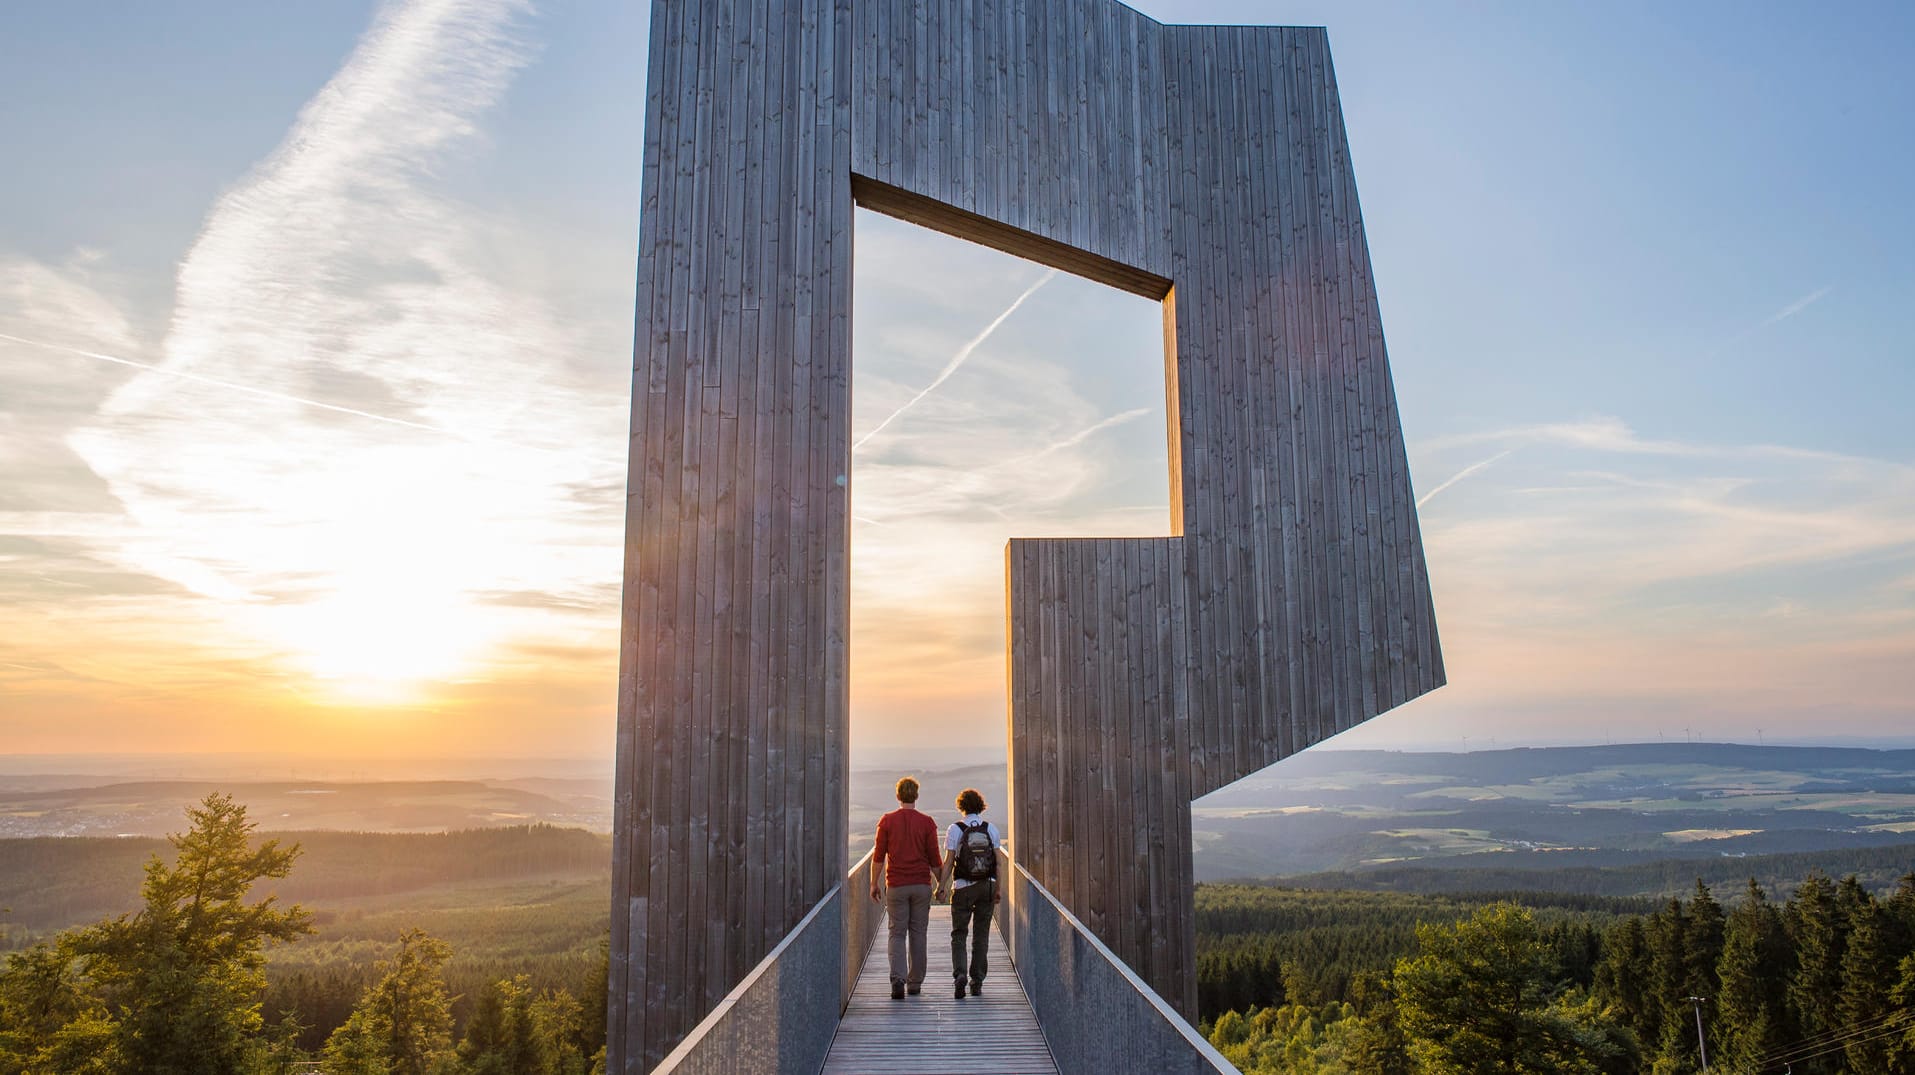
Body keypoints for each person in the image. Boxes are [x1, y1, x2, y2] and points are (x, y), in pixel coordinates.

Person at [870, 775, 942, 1000]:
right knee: (918, 933)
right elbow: (935, 859)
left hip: (897, 886)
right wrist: (941, 884)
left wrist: (874, 882)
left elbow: (878, 857)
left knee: (897, 933)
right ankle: (915, 984)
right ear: (917, 796)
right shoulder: (927, 822)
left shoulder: (887, 821)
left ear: (898, 796)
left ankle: (897, 981)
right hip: (921, 885)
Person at [936, 787, 1001, 1001]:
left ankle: (960, 974)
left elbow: (948, 862)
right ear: (981, 806)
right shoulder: (991, 829)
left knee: (959, 934)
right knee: (981, 935)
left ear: (961, 806)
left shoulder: (955, 829)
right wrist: (998, 888)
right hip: (987, 886)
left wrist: (941, 886)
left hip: (963, 887)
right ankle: (977, 981)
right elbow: (998, 863)